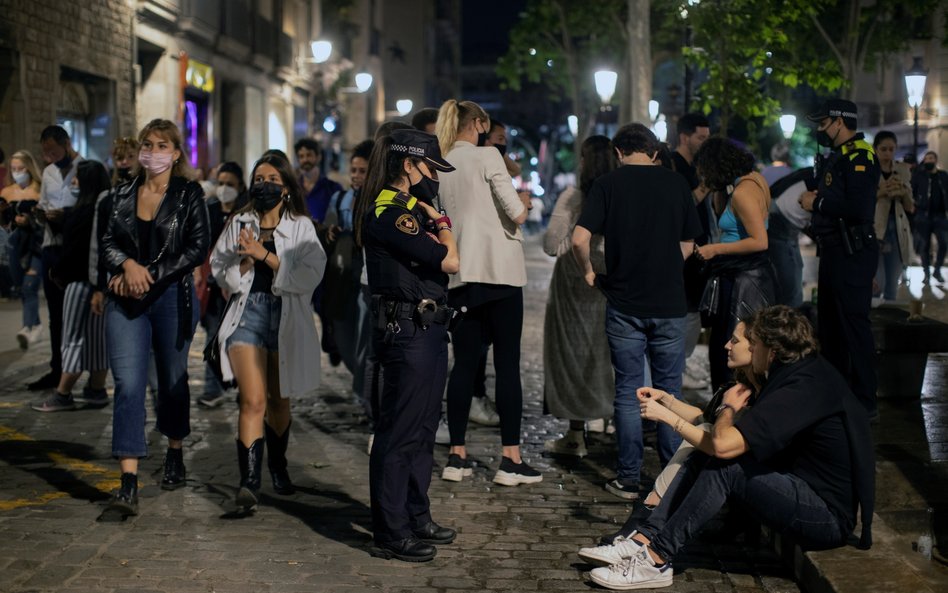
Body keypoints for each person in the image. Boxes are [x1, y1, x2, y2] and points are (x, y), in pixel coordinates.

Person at [577, 306, 874, 591]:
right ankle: (644, 539)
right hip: (798, 488)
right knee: (704, 455)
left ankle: (656, 561)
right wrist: (670, 402)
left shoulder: (802, 387)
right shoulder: (797, 375)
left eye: (752, 343)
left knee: (725, 465)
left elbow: (722, 445)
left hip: (826, 518)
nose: (735, 347)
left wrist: (727, 408)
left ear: (770, 351)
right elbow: (711, 429)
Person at [572, 123, 702, 500]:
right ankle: (671, 476)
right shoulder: (676, 185)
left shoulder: (608, 185)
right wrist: (667, 268)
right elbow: (689, 241)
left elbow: (581, 238)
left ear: (618, 152)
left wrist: (588, 272)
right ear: (656, 152)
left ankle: (628, 478)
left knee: (630, 392)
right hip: (669, 302)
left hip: (624, 302)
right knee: (668, 391)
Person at [355, 128, 459, 562]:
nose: (432, 176)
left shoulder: (407, 207)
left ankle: (417, 515)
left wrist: (430, 217)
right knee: (399, 433)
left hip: (428, 328)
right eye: (428, 167)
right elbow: (450, 260)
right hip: (406, 330)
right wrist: (444, 225)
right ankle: (391, 530)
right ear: (406, 164)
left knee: (422, 429)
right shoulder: (389, 210)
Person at [99, 119, 210, 519]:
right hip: (126, 301)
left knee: (172, 380)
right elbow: (107, 242)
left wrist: (149, 276)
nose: (153, 151)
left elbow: (198, 247)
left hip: (171, 298)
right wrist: (127, 265)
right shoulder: (120, 194)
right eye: (147, 144)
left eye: (162, 144)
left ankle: (175, 450)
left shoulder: (189, 194)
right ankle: (127, 481)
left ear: (176, 153)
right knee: (128, 384)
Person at [435, 99, 540, 487]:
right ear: (478, 124)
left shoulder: (441, 162)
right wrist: (525, 202)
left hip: (461, 274)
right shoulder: (488, 157)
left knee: (463, 365)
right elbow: (517, 213)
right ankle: (510, 459)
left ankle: (457, 456)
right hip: (501, 274)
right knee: (507, 365)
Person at [210, 154, 325, 508]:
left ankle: (278, 463)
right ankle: (249, 482)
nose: (264, 185)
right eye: (258, 178)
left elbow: (310, 276)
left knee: (278, 401)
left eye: (272, 178)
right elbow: (218, 266)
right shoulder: (239, 221)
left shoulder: (302, 227)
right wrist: (242, 263)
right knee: (253, 399)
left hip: (287, 317)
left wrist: (266, 256)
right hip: (248, 314)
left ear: (286, 187)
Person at [799, 99, 880, 415]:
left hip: (852, 251)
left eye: (823, 123)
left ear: (839, 122)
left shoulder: (860, 156)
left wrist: (816, 203)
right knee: (831, 327)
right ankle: (835, 395)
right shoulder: (838, 158)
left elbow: (859, 209)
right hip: (834, 250)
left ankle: (864, 400)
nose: (820, 129)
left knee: (853, 326)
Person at [542, 135, 616, 457]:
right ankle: (608, 421)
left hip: (572, 285)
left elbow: (550, 244)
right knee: (606, 353)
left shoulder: (574, 197)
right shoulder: (619, 194)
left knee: (571, 354)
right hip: (610, 283)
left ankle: (575, 435)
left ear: (585, 161)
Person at [694, 138, 776, 390]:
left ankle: (731, 406)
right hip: (747, 273)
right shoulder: (753, 179)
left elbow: (760, 241)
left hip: (744, 278)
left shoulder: (742, 192)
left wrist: (714, 249)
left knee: (733, 347)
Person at [31, 160, 112, 412]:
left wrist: (58, 272)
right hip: (102, 285)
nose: (73, 182)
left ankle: (63, 393)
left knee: (73, 338)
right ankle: (97, 390)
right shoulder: (108, 208)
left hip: (79, 283)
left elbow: (75, 251)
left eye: (77, 178)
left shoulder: (84, 213)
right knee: (98, 339)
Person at [30, 126, 83, 392]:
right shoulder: (49, 172)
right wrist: (40, 214)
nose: (50, 156)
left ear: (67, 143)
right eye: (46, 152)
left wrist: (67, 216)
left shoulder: (85, 168)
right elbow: (43, 203)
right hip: (52, 246)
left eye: (54, 150)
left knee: (77, 314)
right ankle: (57, 368)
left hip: (74, 250)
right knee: (55, 314)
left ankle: (78, 369)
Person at [322, 140, 374, 416]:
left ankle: (365, 394)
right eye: (353, 170)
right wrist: (330, 231)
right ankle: (363, 385)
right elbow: (328, 226)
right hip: (343, 275)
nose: (355, 176)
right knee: (344, 337)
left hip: (367, 276)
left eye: (362, 171)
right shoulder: (340, 198)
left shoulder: (379, 200)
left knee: (365, 338)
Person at [197, 161, 248, 408]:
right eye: (221, 183)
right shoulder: (210, 210)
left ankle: (244, 384)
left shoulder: (246, 213)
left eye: (230, 184)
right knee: (212, 336)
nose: (224, 188)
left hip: (239, 286)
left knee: (239, 338)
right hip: (212, 286)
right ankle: (212, 387)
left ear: (240, 186)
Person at [670, 113, 712, 392]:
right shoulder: (674, 165)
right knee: (685, 310)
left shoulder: (695, 165)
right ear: (685, 137)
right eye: (701, 137)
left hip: (700, 249)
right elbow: (685, 204)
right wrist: (707, 183)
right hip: (683, 250)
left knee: (694, 310)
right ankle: (676, 368)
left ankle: (679, 367)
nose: (705, 142)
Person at [1, 150, 44, 349]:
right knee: (21, 287)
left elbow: (46, 218)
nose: (18, 172)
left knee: (29, 285)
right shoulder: (7, 192)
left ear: (29, 168)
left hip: (36, 243)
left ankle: (28, 327)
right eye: (14, 169)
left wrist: (30, 220)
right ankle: (35, 325)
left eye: (21, 168)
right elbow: (5, 222)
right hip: (15, 244)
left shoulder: (40, 189)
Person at [872, 131, 914, 301]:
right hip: (875, 228)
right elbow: (861, 200)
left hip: (896, 229)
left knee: (892, 284)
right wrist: (882, 191)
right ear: (875, 149)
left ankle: (889, 325)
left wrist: (903, 192)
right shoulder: (870, 170)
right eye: (883, 149)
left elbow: (910, 206)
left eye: (891, 149)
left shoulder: (902, 170)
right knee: (877, 282)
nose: (888, 153)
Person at [911, 151, 948, 284]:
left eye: (931, 158)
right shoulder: (919, 176)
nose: (928, 161)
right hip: (922, 215)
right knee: (924, 246)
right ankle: (926, 273)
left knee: (944, 242)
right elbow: (911, 191)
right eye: (926, 159)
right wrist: (914, 204)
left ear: (936, 160)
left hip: (940, 216)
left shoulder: (943, 176)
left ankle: (937, 270)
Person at [295, 137, 342, 223]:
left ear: (318, 157)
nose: (305, 160)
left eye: (309, 155)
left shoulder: (333, 189)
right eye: (301, 156)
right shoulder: (293, 188)